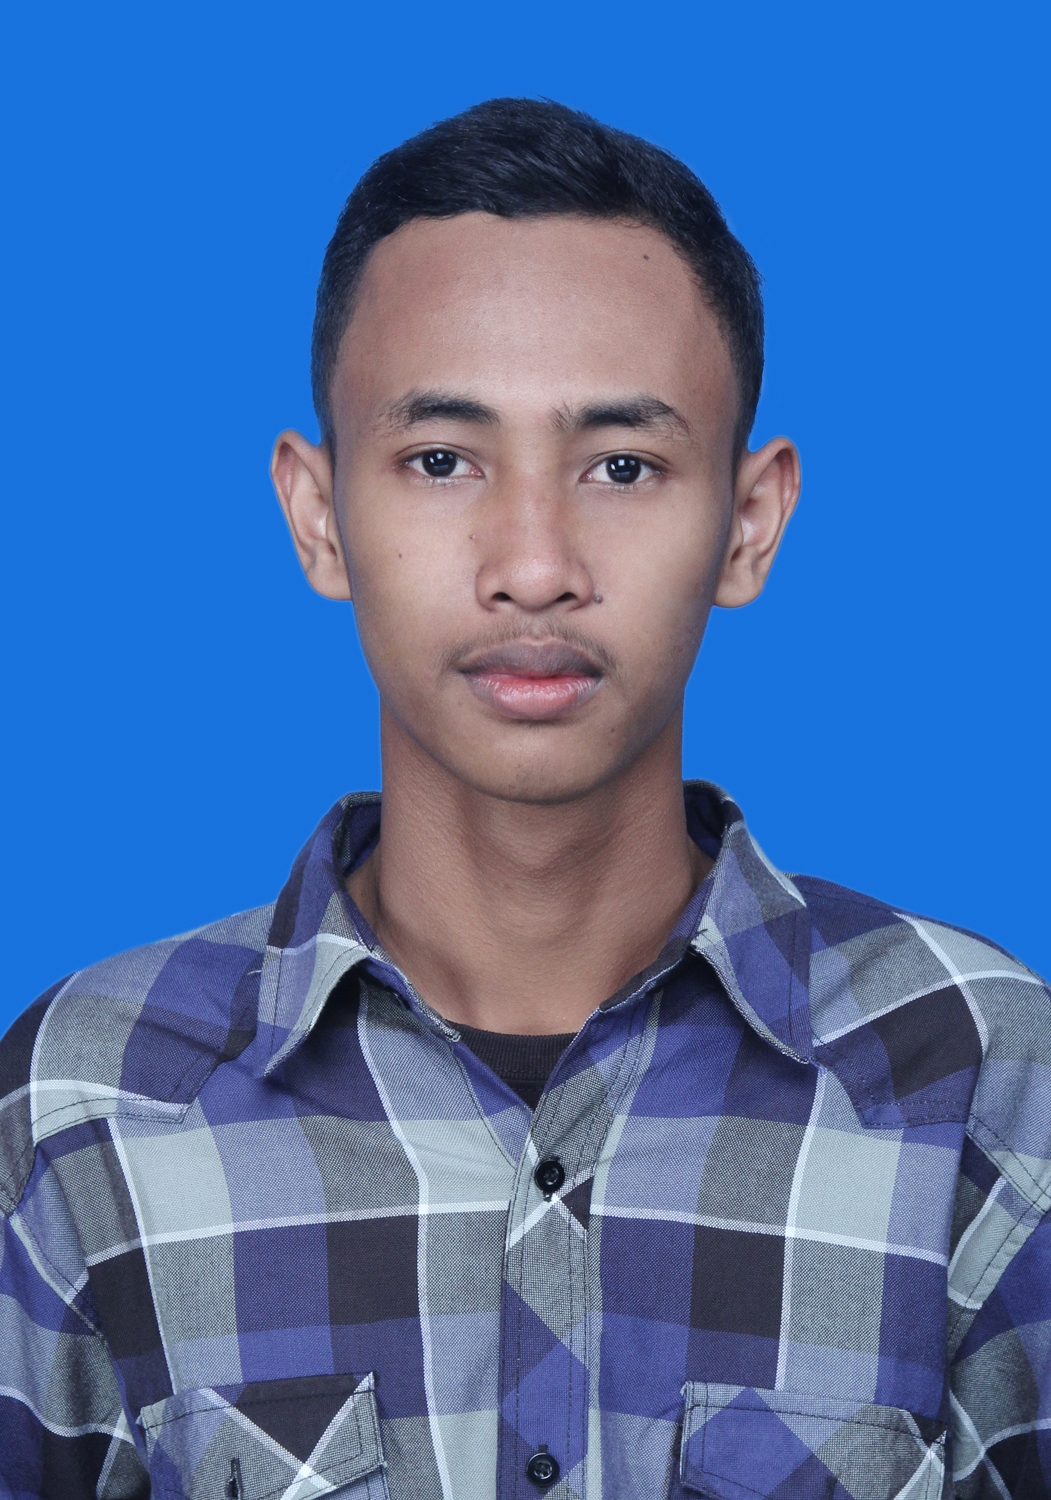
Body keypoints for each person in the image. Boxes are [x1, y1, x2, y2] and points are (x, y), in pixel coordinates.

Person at [1, 97, 1047, 1500]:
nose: (536, 565)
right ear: (319, 516)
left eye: (623, 466)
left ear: (748, 523)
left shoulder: (984, 1083)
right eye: (442, 460)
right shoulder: (85, 1109)